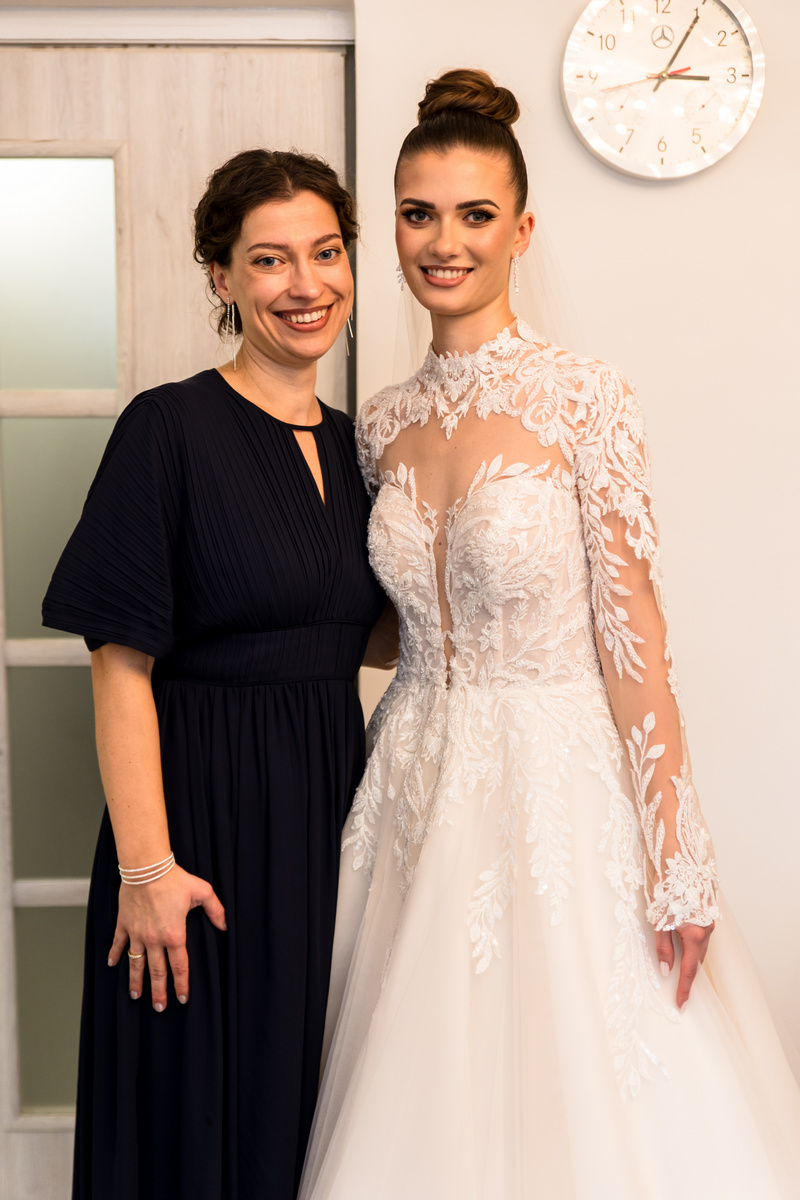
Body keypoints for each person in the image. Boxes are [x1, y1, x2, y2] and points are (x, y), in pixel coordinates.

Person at [298, 71, 800, 1199]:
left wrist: (676, 856)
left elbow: (635, 644)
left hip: (554, 784)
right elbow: (393, 625)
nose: (445, 242)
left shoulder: (586, 400)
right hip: (409, 781)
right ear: (392, 230)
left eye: (475, 215)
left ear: (521, 231)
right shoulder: (379, 423)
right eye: (419, 214)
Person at [42, 147, 387, 1200]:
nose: (305, 284)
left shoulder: (361, 448)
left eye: (325, 252)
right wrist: (148, 870)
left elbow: (365, 637)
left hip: (328, 820)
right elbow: (118, 666)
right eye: (270, 259)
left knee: (306, 1113)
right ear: (222, 277)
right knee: (192, 1119)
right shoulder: (168, 429)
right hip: (199, 829)